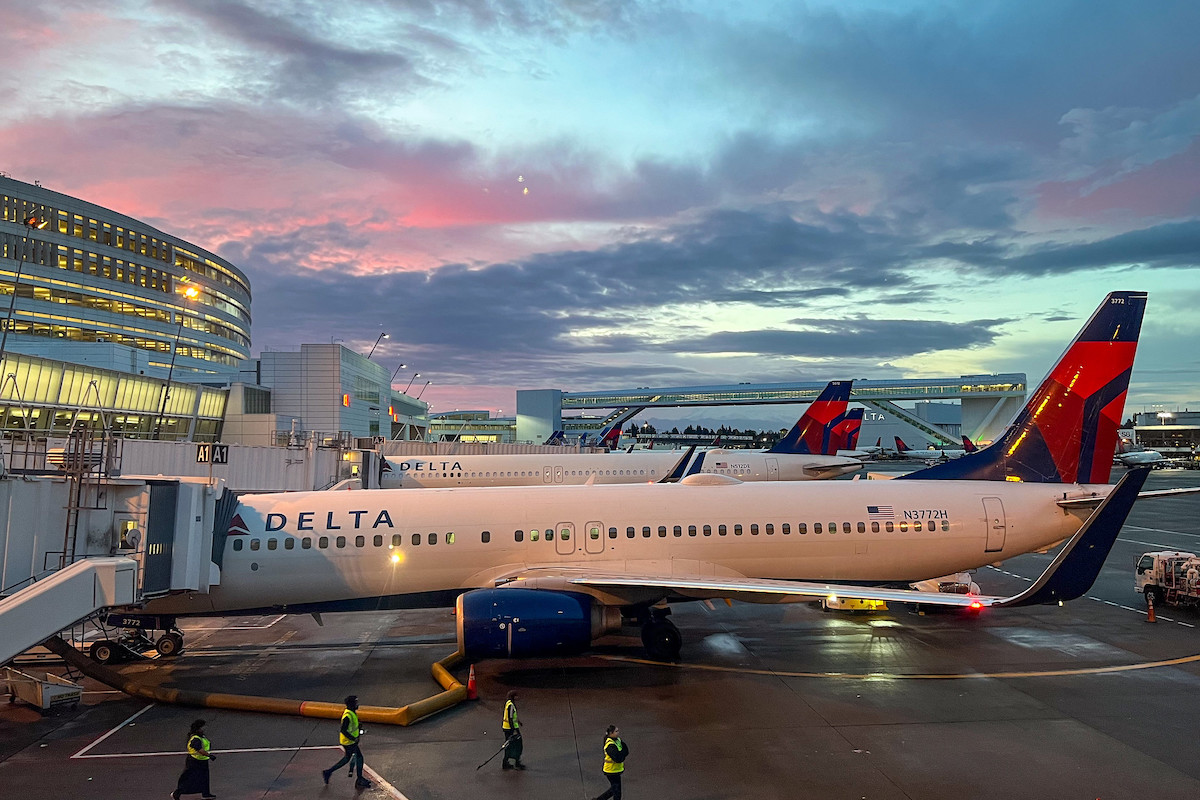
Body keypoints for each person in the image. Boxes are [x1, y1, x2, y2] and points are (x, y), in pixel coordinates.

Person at [322, 695, 373, 789]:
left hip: (350, 741)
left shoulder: (352, 713)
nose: (357, 704)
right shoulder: (347, 716)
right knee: (359, 758)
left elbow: (351, 726)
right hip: (349, 742)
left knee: (348, 758)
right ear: (351, 704)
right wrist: (354, 739)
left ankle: (328, 772)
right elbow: (343, 730)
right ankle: (359, 779)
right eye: (355, 702)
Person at [171, 719, 216, 800]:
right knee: (190, 778)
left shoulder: (200, 736)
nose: (204, 729)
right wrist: (209, 755)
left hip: (202, 761)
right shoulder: (196, 739)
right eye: (202, 727)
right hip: (195, 762)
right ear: (198, 728)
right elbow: (200, 750)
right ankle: (177, 793)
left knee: (204, 778)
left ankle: (206, 793)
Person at [591, 724, 629, 800]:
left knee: (614, 789)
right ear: (611, 733)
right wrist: (622, 754)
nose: (618, 733)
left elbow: (626, 750)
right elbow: (618, 758)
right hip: (611, 771)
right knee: (617, 792)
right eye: (616, 731)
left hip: (616, 770)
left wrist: (622, 754)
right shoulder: (610, 745)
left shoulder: (617, 740)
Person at [501, 690, 525, 770]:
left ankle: (506, 762)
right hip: (510, 729)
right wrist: (514, 730)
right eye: (516, 696)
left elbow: (511, 716)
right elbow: (510, 718)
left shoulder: (508, 703)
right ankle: (516, 763)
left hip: (507, 727)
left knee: (509, 745)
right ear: (513, 696)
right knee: (518, 745)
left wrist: (518, 722)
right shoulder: (511, 705)